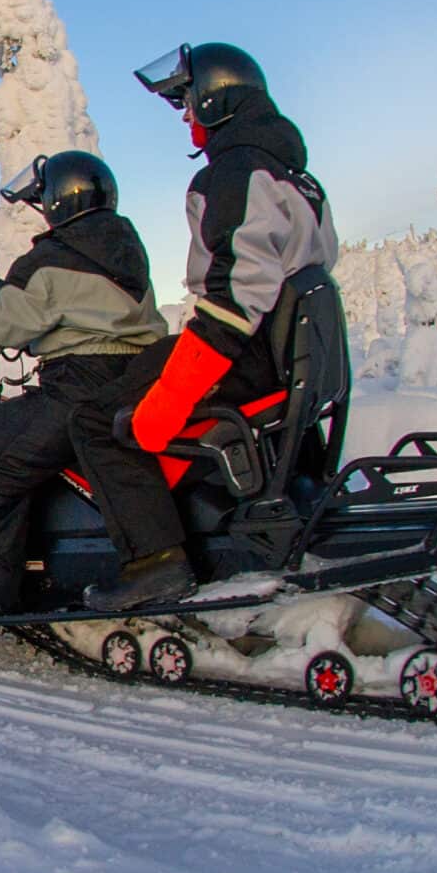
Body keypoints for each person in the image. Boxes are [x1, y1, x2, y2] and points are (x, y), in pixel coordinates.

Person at [75, 42, 340, 611]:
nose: (187, 116)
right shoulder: (294, 174)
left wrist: (172, 395)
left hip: (246, 351)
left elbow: (236, 297)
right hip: (278, 350)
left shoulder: (236, 171)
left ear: (218, 99)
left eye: (189, 103)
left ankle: (155, 562)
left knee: (98, 419)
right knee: (135, 375)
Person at [0, 151, 167, 617]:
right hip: (136, 376)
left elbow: (3, 317)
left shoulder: (57, 254)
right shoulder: (121, 245)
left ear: (58, 201)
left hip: (81, 380)